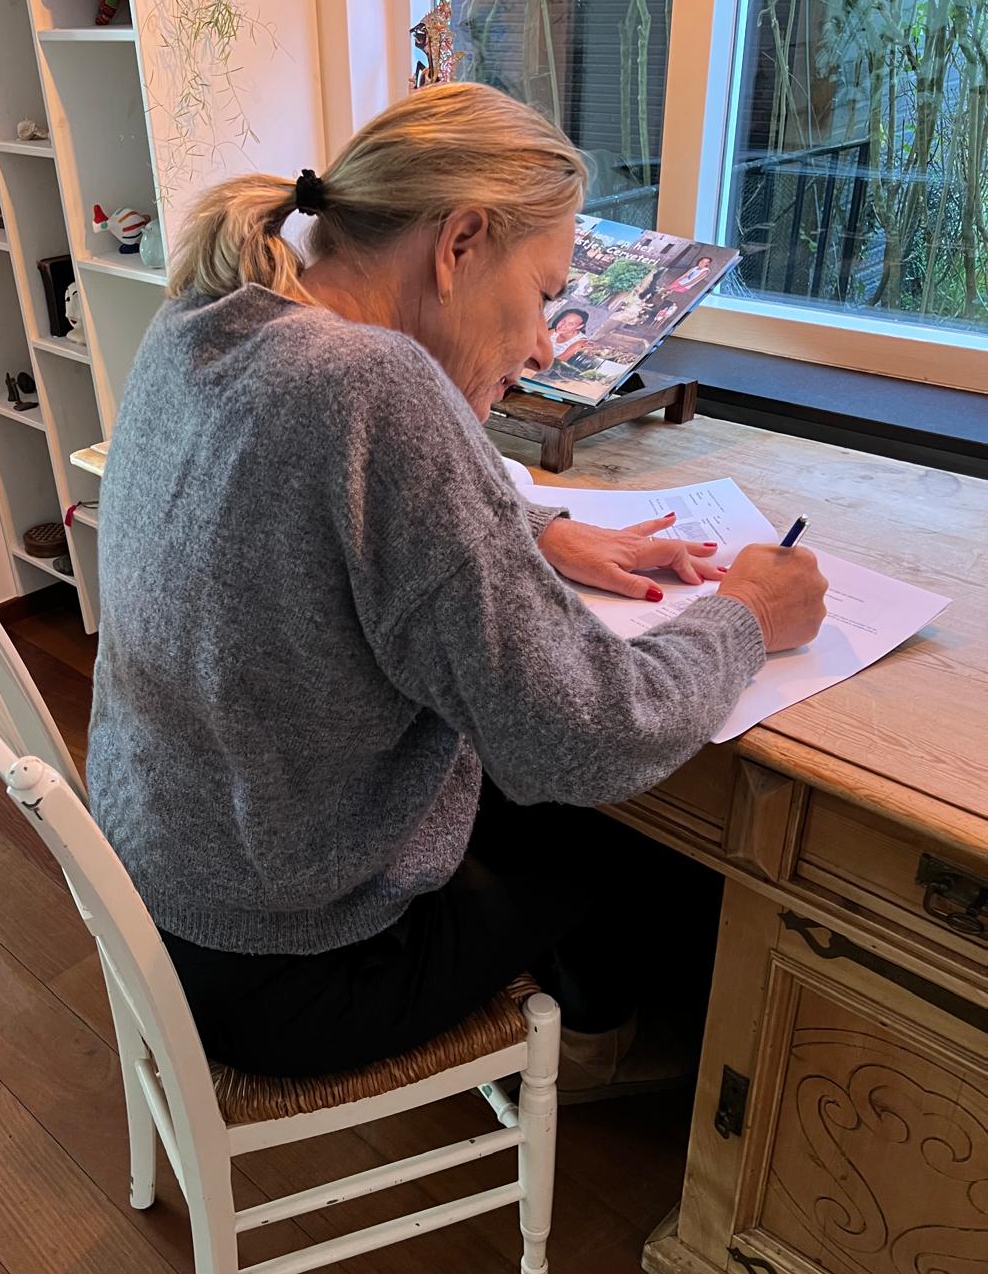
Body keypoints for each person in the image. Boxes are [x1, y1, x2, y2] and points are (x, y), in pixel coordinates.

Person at [89, 83, 827, 1098]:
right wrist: (748, 615)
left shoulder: (212, 316)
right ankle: (599, 1053)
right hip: (291, 973)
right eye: (544, 293)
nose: (545, 347)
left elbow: (323, 507)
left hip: (172, 895)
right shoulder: (374, 383)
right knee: (622, 830)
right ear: (461, 243)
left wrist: (540, 529)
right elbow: (593, 733)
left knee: (507, 773)